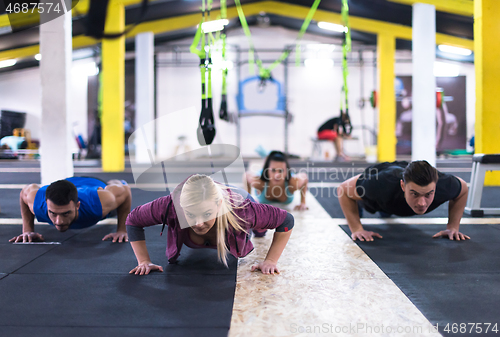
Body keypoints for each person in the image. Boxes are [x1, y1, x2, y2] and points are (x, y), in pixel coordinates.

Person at [126, 174, 293, 275]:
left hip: (237, 197)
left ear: (218, 206)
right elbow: (133, 220)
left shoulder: (242, 211)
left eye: (206, 214)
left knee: (260, 231)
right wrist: (143, 261)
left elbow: (286, 220)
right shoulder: (169, 206)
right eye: (190, 215)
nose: (198, 224)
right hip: (209, 193)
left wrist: (270, 260)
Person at [338, 160, 469, 241]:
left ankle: (388, 210)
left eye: (428, 194)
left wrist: (452, 227)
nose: (422, 203)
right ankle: (367, 206)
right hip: (381, 194)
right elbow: (343, 189)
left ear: (436, 186)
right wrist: (356, 229)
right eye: (415, 194)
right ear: (403, 186)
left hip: (395, 199)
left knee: (389, 208)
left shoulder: (445, 184)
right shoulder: (380, 183)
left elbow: (463, 189)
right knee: (366, 200)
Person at [9, 177, 132, 243]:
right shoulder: (37, 202)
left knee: (115, 202)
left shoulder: (99, 202)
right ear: (46, 204)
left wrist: (122, 230)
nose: (59, 221)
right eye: (53, 213)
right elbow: (24, 191)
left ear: (77, 206)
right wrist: (28, 230)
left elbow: (126, 191)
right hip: (66, 184)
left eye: (65, 213)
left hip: (92, 184)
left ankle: (115, 181)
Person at [244, 151, 309, 211]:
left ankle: (268, 159)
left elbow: (305, 177)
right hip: (265, 176)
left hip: (284, 177)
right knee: (266, 164)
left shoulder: (292, 183)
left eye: (281, 171)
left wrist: (303, 202)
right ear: (267, 172)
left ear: (286, 172)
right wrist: (248, 200)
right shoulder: (259, 183)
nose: (277, 175)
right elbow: (246, 175)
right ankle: (266, 157)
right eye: (273, 170)